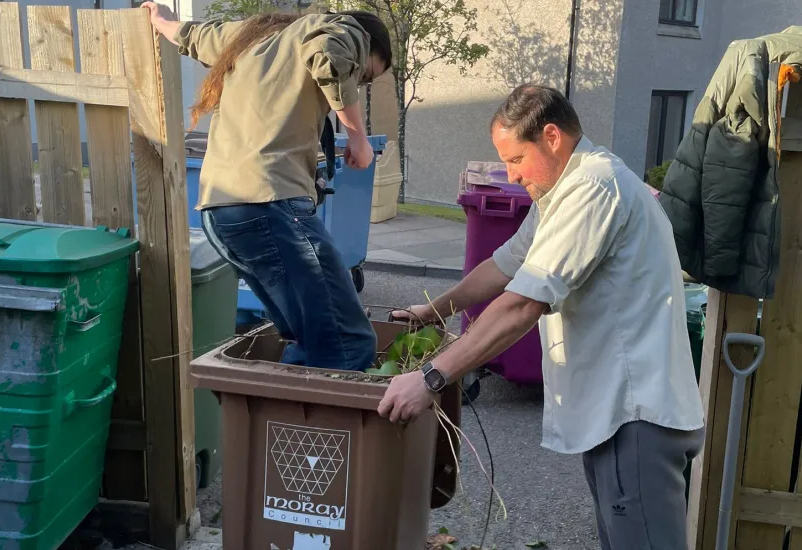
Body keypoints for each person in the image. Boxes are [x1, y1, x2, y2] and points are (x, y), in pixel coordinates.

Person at [378, 84, 705, 549]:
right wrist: (432, 310)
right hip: (615, 414)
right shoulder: (560, 191)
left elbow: (522, 303)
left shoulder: (593, 188)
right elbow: (503, 265)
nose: (511, 176)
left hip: (636, 415)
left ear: (551, 136)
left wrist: (431, 378)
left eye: (515, 160)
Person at [142, 3, 393, 371]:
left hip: (220, 212)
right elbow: (333, 56)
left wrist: (163, 22)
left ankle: (280, 424)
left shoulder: (255, 37)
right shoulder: (345, 30)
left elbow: (198, 36)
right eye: (366, 76)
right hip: (270, 203)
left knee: (309, 336)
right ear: (368, 44)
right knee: (347, 342)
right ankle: (327, 429)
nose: (358, 83)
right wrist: (357, 136)